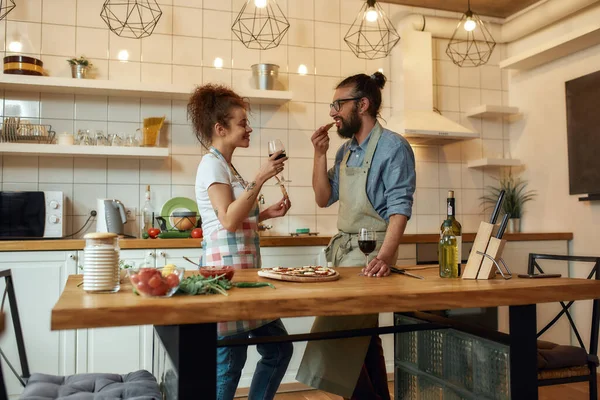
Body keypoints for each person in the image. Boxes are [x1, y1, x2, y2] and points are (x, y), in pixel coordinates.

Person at [296, 72, 416, 399]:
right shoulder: (345, 151)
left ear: (362, 105)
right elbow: (323, 198)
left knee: (331, 340)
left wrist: (385, 257)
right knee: (363, 338)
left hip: (370, 254)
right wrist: (319, 154)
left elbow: (399, 207)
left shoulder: (393, 147)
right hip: (344, 251)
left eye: (339, 104)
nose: (333, 111)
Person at [190, 84, 293, 400]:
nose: (249, 129)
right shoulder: (212, 164)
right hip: (226, 278)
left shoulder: (226, 163)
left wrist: (264, 216)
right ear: (220, 128)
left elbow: (234, 218)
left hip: (245, 276)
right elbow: (227, 220)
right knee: (230, 363)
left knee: (277, 350)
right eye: (242, 123)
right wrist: (261, 177)